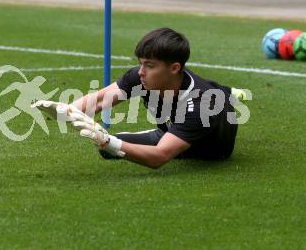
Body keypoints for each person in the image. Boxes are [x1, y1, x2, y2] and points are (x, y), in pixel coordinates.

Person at [33, 27, 248, 169]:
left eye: (150, 65)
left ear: (174, 68)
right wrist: (66, 111)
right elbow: (99, 101)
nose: (141, 71)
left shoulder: (202, 106)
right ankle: (227, 91)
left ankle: (227, 95)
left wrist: (108, 142)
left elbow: (159, 156)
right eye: (141, 63)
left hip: (207, 150)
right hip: (172, 126)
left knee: (114, 147)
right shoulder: (141, 77)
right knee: (110, 152)